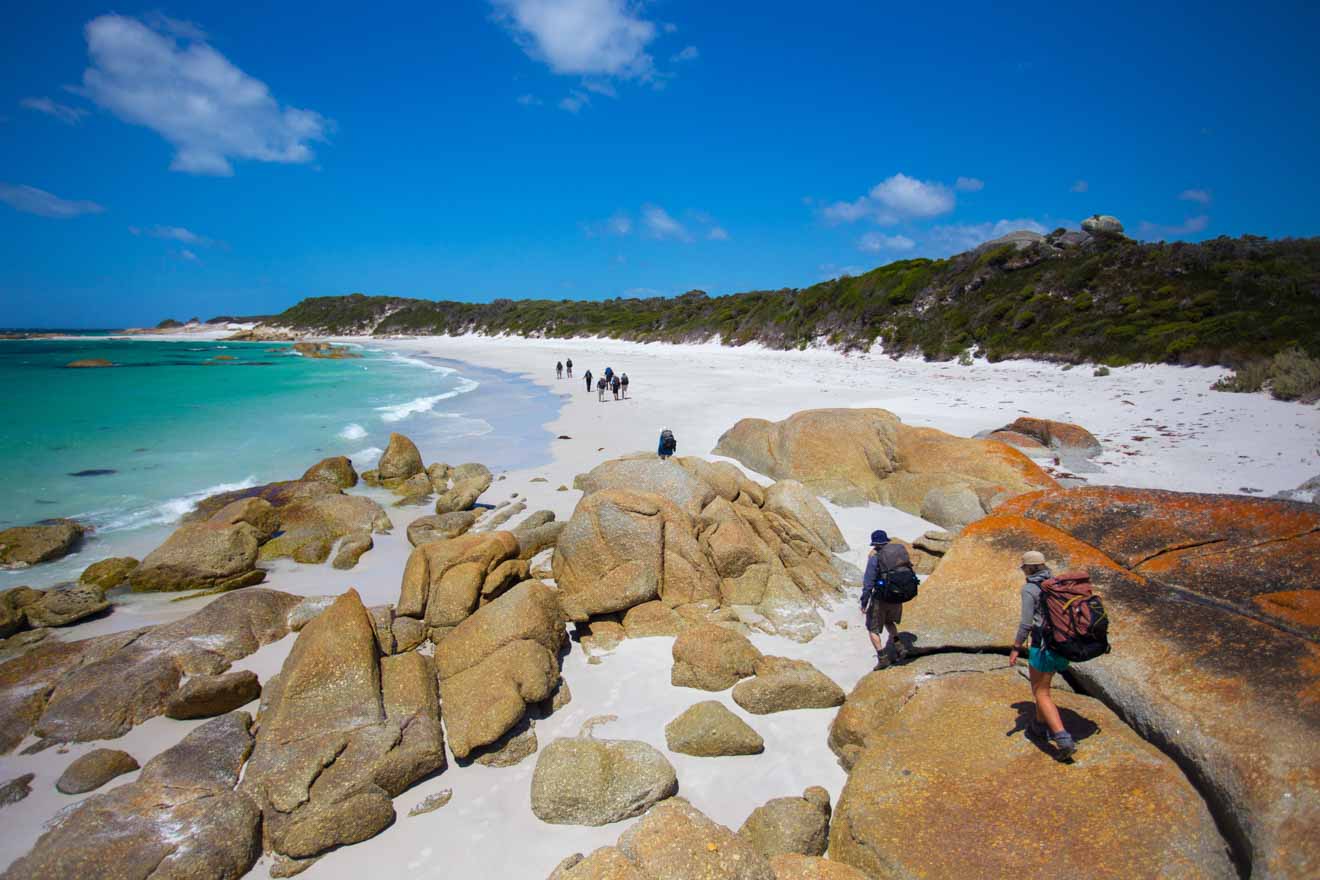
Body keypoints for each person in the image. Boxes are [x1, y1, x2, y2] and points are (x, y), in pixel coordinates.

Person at [1008, 550, 1077, 758]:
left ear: (1028, 568)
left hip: (1043, 647)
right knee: (1043, 688)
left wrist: (1016, 648)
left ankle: (1062, 738)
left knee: (1041, 693)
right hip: (1063, 645)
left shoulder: (1030, 589)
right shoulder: (1057, 582)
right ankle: (1038, 725)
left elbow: (1026, 624)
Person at [859, 530, 912, 670]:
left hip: (881, 598)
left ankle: (882, 658)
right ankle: (900, 647)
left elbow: (868, 583)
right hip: (897, 596)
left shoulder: (876, 558)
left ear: (875, 544)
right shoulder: (897, 554)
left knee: (872, 628)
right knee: (890, 622)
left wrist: (864, 602)